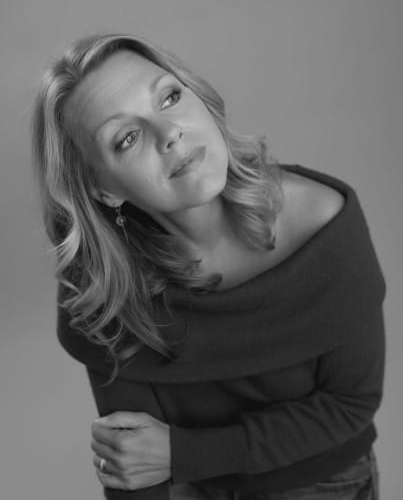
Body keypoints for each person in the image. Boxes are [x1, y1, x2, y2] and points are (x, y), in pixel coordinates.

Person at [31, 33, 386, 500]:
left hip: (323, 481)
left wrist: (185, 454)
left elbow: (350, 405)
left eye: (169, 98)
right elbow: (132, 465)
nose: (170, 133)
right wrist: (175, 464)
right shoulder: (101, 287)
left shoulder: (325, 224)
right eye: (127, 137)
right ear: (103, 189)